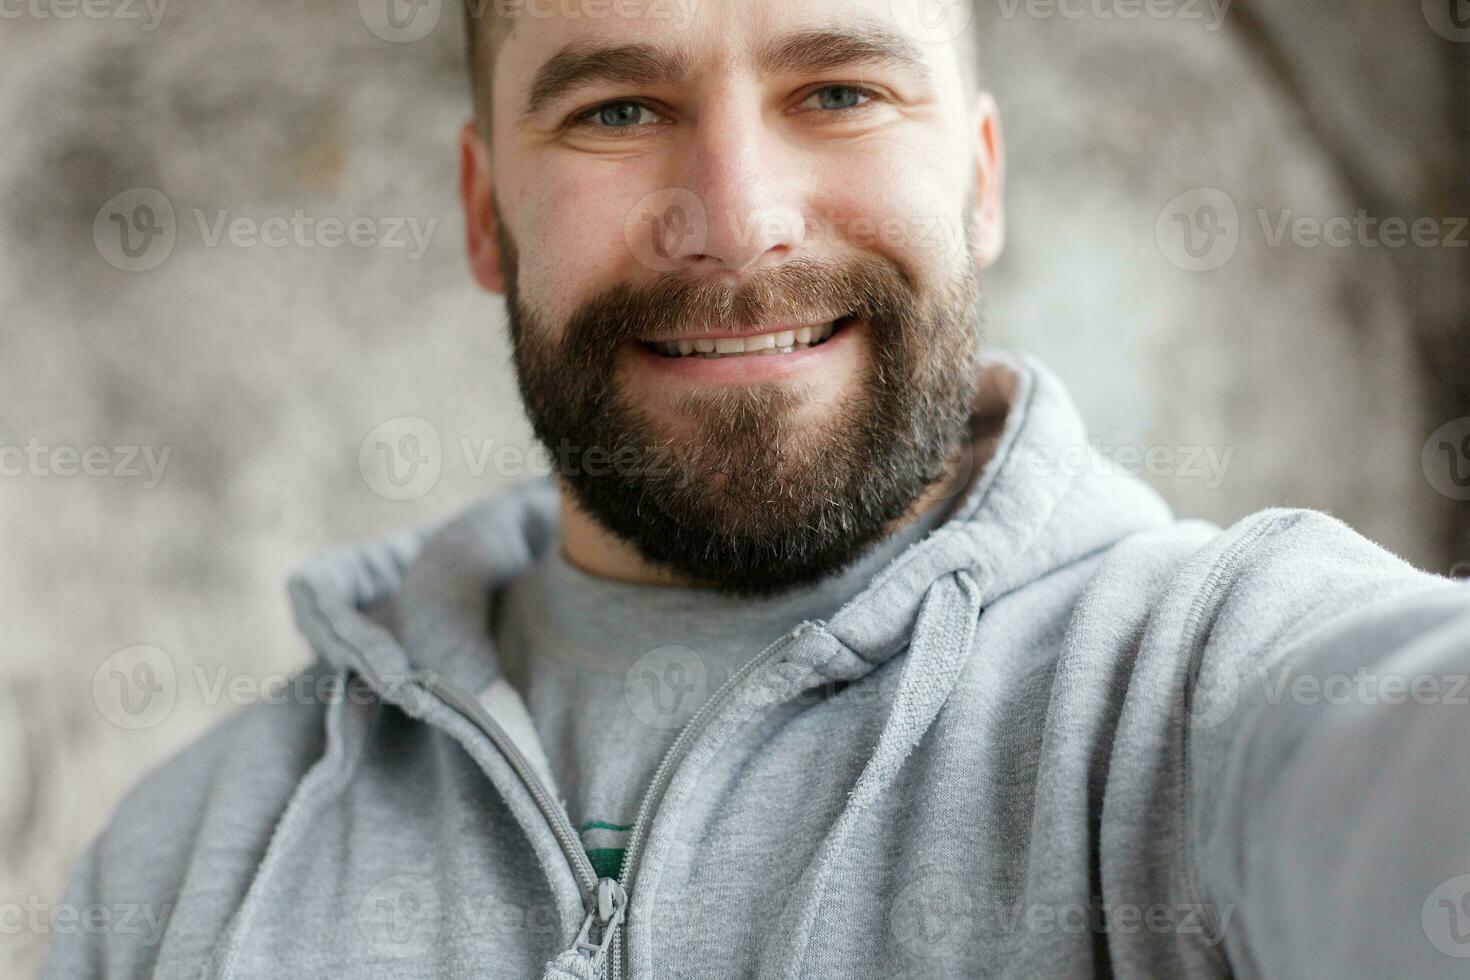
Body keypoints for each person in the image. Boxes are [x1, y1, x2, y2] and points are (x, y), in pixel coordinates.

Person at [44, 1, 1470, 977]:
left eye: (838, 90)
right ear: (485, 214)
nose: (734, 221)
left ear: (977, 182)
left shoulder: (1209, 689)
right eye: (615, 108)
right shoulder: (188, 862)